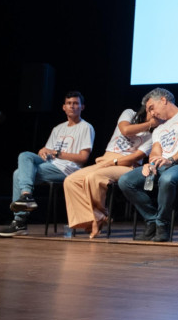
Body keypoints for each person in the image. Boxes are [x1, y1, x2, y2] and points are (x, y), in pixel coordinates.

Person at [0, 91, 94, 237]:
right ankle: (26, 196)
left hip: (67, 169)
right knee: (24, 156)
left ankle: (20, 221)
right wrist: (43, 151)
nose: (72, 106)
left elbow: (83, 158)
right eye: (69, 103)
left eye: (75, 103)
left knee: (18, 174)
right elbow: (46, 153)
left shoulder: (86, 127)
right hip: (50, 164)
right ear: (64, 107)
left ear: (82, 107)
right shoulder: (58, 128)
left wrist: (56, 153)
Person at [63, 95, 159, 238]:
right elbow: (125, 130)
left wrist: (113, 162)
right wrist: (150, 123)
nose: (155, 113)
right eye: (152, 109)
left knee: (94, 177)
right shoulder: (129, 113)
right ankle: (96, 216)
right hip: (107, 158)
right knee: (71, 181)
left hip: (127, 165)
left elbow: (136, 157)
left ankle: (98, 217)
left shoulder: (155, 134)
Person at [118, 87, 178, 243]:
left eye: (152, 108)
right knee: (126, 181)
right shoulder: (159, 129)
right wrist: (151, 164)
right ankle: (152, 221)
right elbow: (155, 152)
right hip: (162, 167)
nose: (151, 114)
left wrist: (171, 160)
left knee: (167, 179)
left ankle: (162, 226)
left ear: (163, 100)